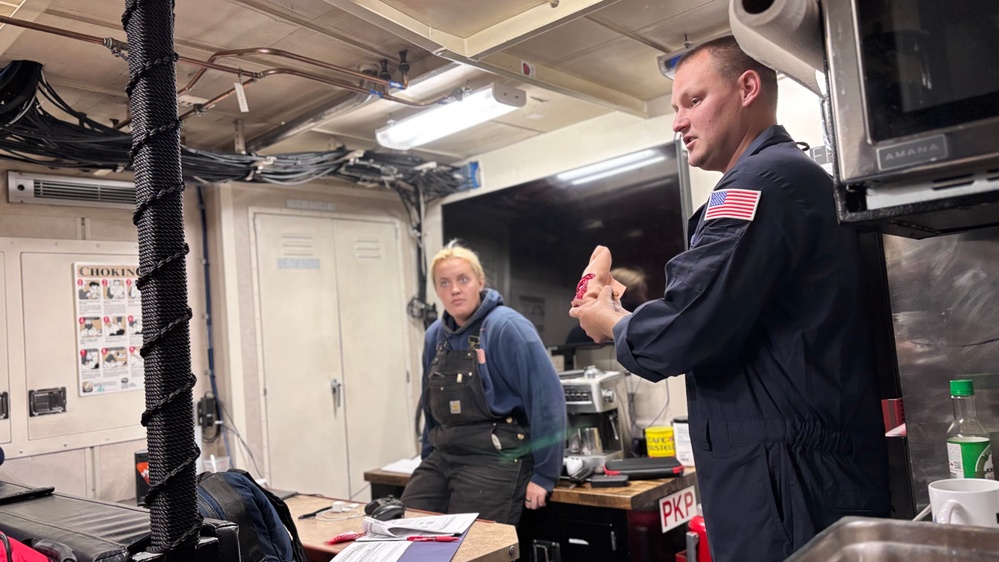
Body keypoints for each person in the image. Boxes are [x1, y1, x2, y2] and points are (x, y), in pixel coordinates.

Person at [568, 36, 890, 562]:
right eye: (675, 108)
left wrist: (612, 322)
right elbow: (718, 315)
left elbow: (684, 327)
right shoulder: (784, 178)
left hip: (788, 482)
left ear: (747, 88)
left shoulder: (761, 182)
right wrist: (624, 316)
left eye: (693, 101)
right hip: (795, 472)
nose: (678, 122)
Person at [402, 241, 566, 525]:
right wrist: (427, 461)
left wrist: (545, 474)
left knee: (468, 542)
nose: (454, 289)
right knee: (400, 530)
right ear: (437, 291)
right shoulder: (434, 337)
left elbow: (546, 400)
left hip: (496, 458)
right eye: (444, 283)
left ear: (480, 281)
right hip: (445, 456)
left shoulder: (507, 328)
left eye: (463, 279)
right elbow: (431, 409)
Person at [565, 266, 648, 344]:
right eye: (643, 292)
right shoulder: (644, 321)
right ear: (630, 292)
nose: (645, 298)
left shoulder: (580, 330)